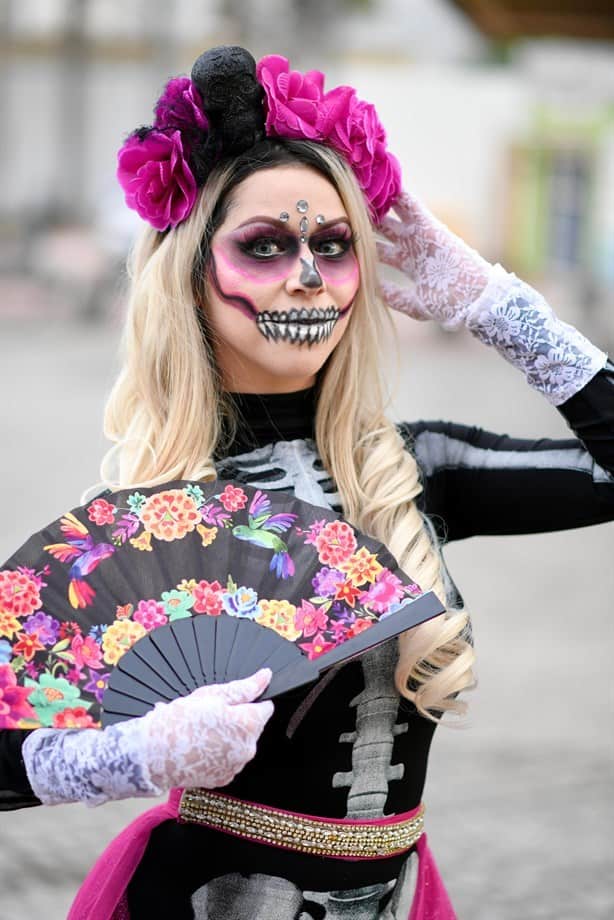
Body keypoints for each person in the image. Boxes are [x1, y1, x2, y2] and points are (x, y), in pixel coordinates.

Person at [1, 45, 613, 920]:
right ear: (193, 272)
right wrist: (133, 753)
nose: (309, 276)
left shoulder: (413, 473)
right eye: (264, 245)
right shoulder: (153, 521)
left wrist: (494, 306)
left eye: (333, 245)